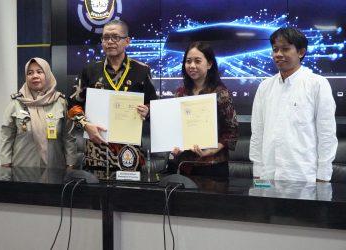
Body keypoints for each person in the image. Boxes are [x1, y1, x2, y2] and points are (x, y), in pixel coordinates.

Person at [68, 20, 157, 178]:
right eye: (105, 37)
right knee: (96, 196)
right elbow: (73, 105)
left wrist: (147, 111)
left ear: (127, 41)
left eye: (115, 37)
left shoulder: (142, 70)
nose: (109, 42)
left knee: (129, 197)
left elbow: (154, 107)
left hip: (129, 149)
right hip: (96, 147)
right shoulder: (90, 70)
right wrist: (85, 124)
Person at [249, 27, 338, 182]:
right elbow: (257, 132)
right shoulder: (264, 86)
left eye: (285, 49)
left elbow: (326, 134)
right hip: (268, 176)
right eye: (275, 49)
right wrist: (257, 171)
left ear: (301, 52)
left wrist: (323, 176)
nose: (278, 54)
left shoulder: (317, 84)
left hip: (302, 176)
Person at [167, 41, 239, 177]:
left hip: (213, 166)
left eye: (197, 61)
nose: (192, 66)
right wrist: (174, 145)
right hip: (186, 165)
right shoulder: (180, 93)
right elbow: (175, 127)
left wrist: (211, 150)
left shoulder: (220, 93)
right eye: (188, 61)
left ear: (209, 64)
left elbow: (232, 130)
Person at [0, 57, 77, 181]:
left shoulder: (60, 102)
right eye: (30, 73)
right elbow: (6, 137)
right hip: (23, 169)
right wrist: (5, 166)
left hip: (55, 169)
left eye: (39, 72)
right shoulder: (16, 103)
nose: (34, 76)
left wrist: (70, 165)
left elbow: (68, 137)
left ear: (47, 74)